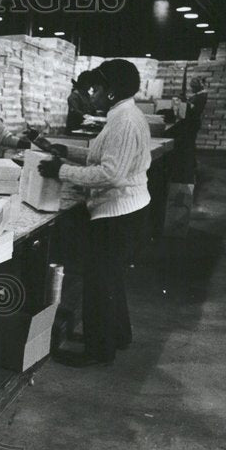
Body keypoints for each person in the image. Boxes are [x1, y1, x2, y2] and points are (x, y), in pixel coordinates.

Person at [38, 59, 151, 367]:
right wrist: (67, 152)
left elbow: (111, 174)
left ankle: (98, 351)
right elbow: (100, 155)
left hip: (117, 214)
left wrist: (62, 171)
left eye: (96, 89)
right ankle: (119, 335)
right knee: (111, 278)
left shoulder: (124, 121)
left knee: (99, 283)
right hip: (126, 210)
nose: (92, 95)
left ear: (111, 92)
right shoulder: (122, 115)